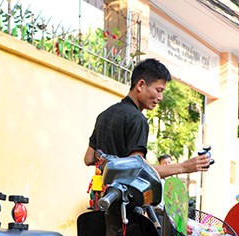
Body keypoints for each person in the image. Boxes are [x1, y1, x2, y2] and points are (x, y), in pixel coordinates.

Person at [83, 58, 211, 177]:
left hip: (99, 196)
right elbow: (138, 170)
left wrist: (110, 162)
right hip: (123, 199)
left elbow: (89, 158)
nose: (160, 97)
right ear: (140, 85)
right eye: (158, 90)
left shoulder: (104, 115)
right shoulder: (137, 119)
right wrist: (183, 167)